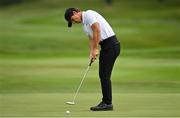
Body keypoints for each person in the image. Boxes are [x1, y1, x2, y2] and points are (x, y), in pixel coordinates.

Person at [64, 8, 120, 111]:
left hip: (111, 45)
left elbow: (97, 29)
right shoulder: (85, 26)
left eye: (72, 19)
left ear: (75, 12)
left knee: (104, 75)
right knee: (103, 75)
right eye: (72, 22)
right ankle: (106, 102)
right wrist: (92, 52)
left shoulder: (89, 14)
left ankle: (107, 103)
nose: (74, 22)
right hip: (106, 46)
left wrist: (95, 49)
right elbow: (91, 38)